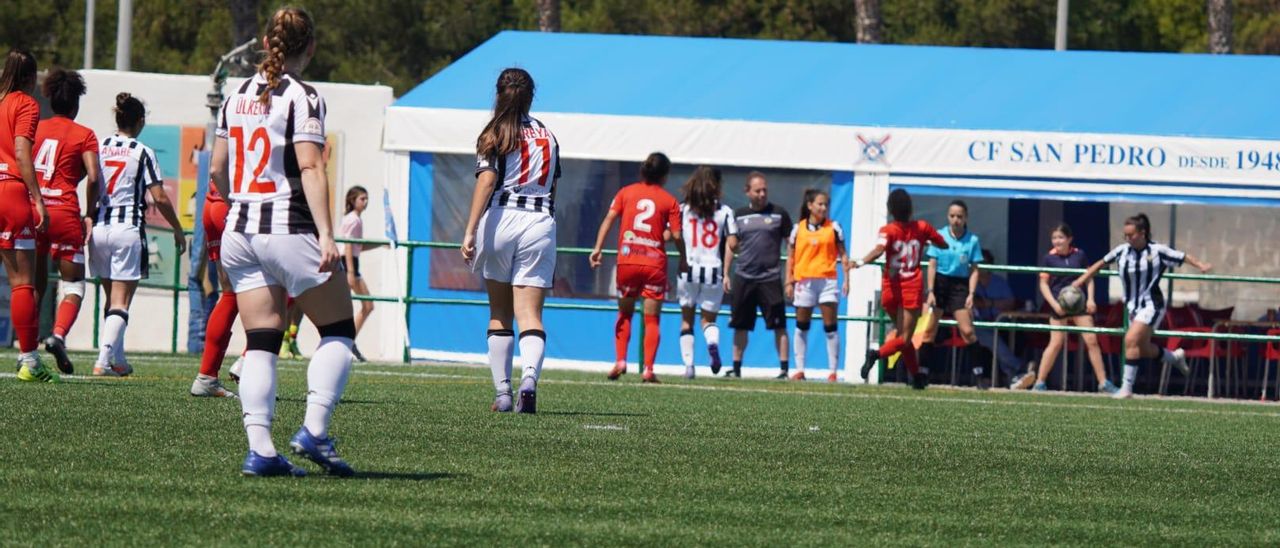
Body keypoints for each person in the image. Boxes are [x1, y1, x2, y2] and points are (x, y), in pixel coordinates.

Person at [212, 6, 357, 477]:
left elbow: (217, 169)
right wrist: (329, 234)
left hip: (239, 229)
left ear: (265, 44)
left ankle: (262, 450)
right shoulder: (303, 95)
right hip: (288, 228)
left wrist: (244, 202)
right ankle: (314, 431)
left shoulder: (235, 95)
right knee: (338, 330)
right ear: (309, 47)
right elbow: (311, 166)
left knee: (260, 341)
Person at [461, 67, 561, 413]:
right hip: (540, 221)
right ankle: (529, 379)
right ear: (531, 95)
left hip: (501, 218)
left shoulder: (493, 132)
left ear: (498, 93)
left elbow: (487, 181)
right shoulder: (548, 135)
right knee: (530, 314)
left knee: (500, 313)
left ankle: (503, 393)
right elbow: (554, 186)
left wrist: (470, 230)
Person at [89, 92, 187, 377]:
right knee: (122, 301)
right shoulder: (142, 151)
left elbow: (91, 179)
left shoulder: (101, 146)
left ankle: (117, 358)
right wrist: (178, 230)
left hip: (99, 228)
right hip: (126, 229)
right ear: (140, 121)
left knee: (111, 299)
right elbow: (160, 197)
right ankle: (103, 361)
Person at [1073, 213, 1210, 399]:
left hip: (1152, 305)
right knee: (1141, 348)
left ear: (1143, 233)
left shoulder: (1157, 251)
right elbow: (1100, 264)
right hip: (1132, 307)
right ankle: (1174, 357)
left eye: (1131, 235)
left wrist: (1200, 265)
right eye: (1125, 235)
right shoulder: (1122, 251)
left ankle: (1126, 389)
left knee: (1130, 340)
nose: (1128, 239)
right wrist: (1080, 281)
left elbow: (1182, 256)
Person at [589, 152, 683, 383]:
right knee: (651, 319)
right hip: (653, 263)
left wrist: (597, 248)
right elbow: (678, 235)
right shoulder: (669, 201)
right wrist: (685, 258)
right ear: (665, 175)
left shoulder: (626, 192)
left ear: (642, 171)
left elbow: (609, 219)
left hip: (628, 260)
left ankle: (621, 360)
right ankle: (648, 369)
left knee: (625, 312)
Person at [33, 68, 98, 375]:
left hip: (34, 210)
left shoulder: (36, 128)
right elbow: (94, 176)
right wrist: (91, 211)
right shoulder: (84, 134)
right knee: (73, 285)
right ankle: (58, 334)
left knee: (33, 283)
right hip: (64, 211)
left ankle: (27, 349)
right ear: (75, 105)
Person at [854, 188, 946, 389]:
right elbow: (943, 243)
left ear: (890, 209)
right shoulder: (922, 227)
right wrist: (931, 240)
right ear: (910, 208)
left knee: (903, 336)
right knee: (904, 337)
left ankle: (916, 377)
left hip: (890, 287)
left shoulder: (887, 230)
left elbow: (878, 251)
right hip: (911, 287)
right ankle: (876, 354)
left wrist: (859, 262)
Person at [0, 49, 51, 381]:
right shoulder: (26, 104)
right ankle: (30, 361)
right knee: (22, 283)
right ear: (30, 79)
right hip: (11, 193)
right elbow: (21, 151)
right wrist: (38, 199)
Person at [1030, 223, 1118, 394]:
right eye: (1054, 238)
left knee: (1091, 341)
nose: (1057, 241)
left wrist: (1091, 299)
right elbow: (1043, 284)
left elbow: (1089, 277)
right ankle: (1040, 383)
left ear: (1069, 239)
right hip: (1059, 305)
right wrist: (1055, 304)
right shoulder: (1048, 258)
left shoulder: (1080, 255)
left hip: (1079, 304)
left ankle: (1103, 382)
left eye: (1061, 237)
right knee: (1055, 343)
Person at [918, 200, 996, 389]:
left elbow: (975, 269)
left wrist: (971, 293)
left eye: (959, 216)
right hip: (940, 283)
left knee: (968, 331)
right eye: (952, 216)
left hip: (959, 286)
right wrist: (930, 291)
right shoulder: (940, 236)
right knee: (928, 331)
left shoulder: (972, 240)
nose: (956, 220)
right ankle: (922, 374)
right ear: (948, 217)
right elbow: (932, 264)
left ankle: (979, 375)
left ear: (965, 218)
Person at [728, 172, 792, 378]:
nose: (762, 194)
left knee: (779, 325)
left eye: (765, 190)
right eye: (758, 190)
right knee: (740, 325)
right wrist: (725, 274)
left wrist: (790, 275)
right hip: (744, 277)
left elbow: (791, 245)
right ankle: (736, 368)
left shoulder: (779, 214)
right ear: (747, 191)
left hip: (770, 278)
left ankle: (784, 369)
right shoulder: (737, 215)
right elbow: (730, 246)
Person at [675, 166, 735, 379]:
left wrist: (682, 253)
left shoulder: (683, 209)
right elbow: (733, 242)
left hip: (688, 268)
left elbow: (670, 234)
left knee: (687, 320)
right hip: (713, 269)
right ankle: (712, 343)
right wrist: (727, 272)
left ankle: (689, 366)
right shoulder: (725, 211)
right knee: (708, 320)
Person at [785, 188, 848, 383]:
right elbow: (791, 257)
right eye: (820, 204)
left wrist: (846, 279)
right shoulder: (798, 229)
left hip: (827, 280)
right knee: (802, 326)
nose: (823, 208)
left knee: (830, 327)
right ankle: (800, 369)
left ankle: (832, 372)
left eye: (826, 204)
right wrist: (789, 280)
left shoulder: (834, 228)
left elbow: (843, 255)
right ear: (810, 206)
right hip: (804, 280)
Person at [190, 182, 238, 397]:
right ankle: (248, 364)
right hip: (234, 205)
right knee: (278, 291)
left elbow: (217, 166)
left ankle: (207, 376)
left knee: (231, 294)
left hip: (212, 204)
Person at [340, 185, 384, 362]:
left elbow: (359, 246)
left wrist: (380, 244)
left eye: (366, 199)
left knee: (368, 306)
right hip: (347, 262)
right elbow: (348, 245)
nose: (365, 202)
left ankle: (349, 341)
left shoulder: (357, 220)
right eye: (362, 199)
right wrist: (350, 271)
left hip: (352, 262)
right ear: (353, 201)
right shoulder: (352, 219)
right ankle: (347, 342)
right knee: (366, 305)